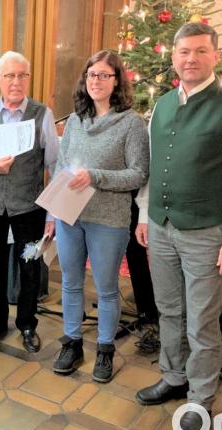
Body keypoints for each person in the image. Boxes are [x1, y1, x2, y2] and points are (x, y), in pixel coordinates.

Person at [134, 22, 222, 430]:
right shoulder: (161, 105)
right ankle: (174, 376)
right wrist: (144, 215)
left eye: (200, 51)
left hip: (207, 232)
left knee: (203, 319)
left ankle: (201, 397)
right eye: (183, 52)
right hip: (161, 226)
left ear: (215, 56)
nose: (190, 59)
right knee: (169, 310)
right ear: (173, 57)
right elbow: (154, 169)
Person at [52, 50, 149, 382]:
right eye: (91, 74)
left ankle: (105, 350)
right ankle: (72, 343)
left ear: (117, 81)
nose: (96, 81)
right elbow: (61, 166)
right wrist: (53, 209)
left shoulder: (131, 123)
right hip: (70, 215)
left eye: (104, 75)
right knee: (70, 283)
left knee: (107, 288)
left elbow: (138, 174)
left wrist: (96, 176)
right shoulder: (76, 120)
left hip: (108, 219)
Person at [0, 51, 58, 353]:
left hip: (30, 207)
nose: (16, 82)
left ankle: (27, 324)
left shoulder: (42, 114)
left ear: (28, 78)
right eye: (9, 75)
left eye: (22, 75)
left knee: (30, 265)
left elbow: (54, 166)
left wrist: (52, 214)